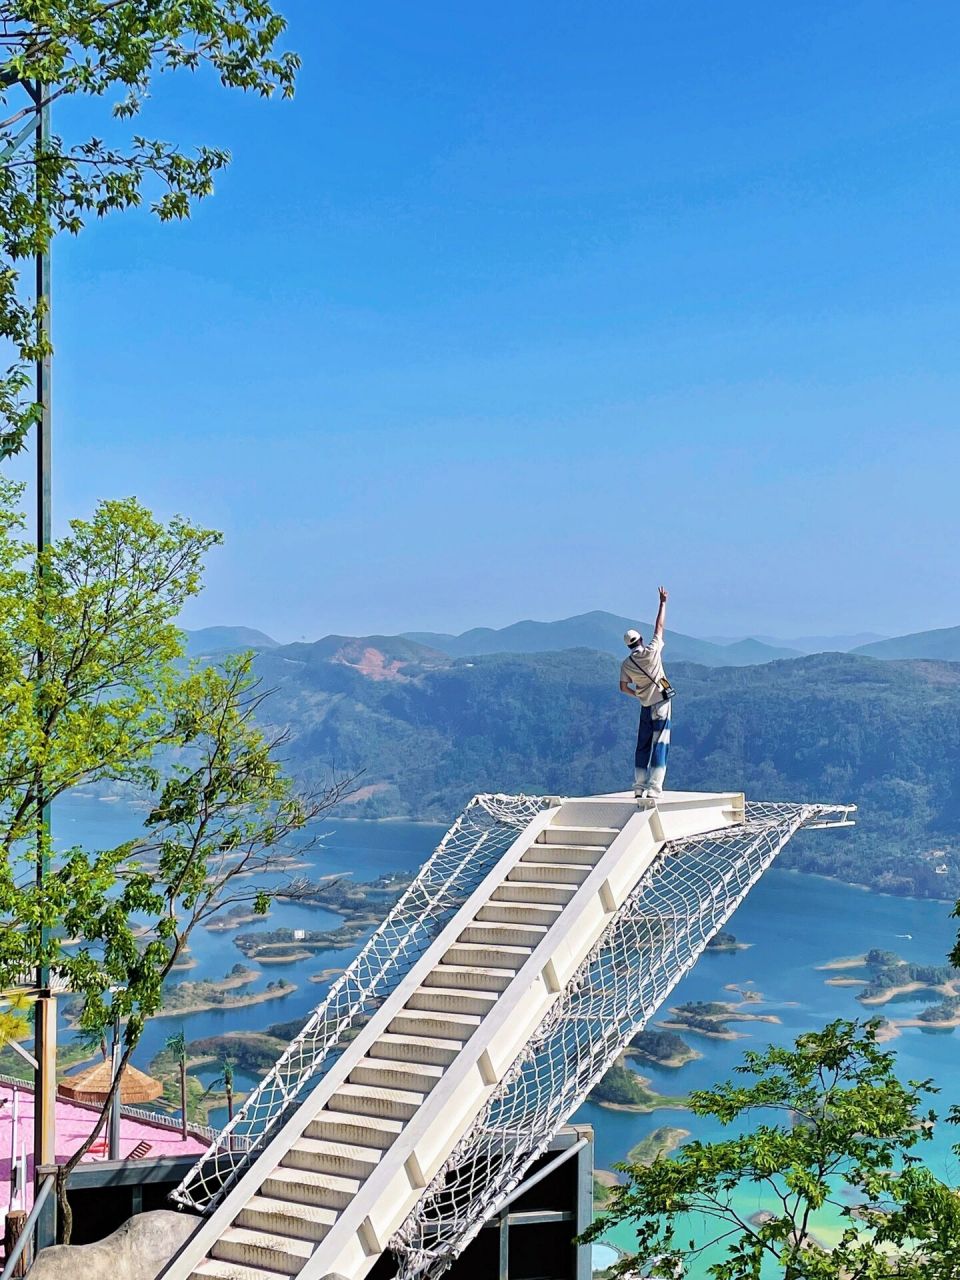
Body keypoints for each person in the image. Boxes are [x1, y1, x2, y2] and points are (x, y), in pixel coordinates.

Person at [619, 586, 672, 802]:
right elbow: (659, 626)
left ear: (628, 645)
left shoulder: (626, 664)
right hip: (661, 702)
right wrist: (662, 602)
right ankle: (654, 789)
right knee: (660, 743)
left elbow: (623, 687)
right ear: (640, 640)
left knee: (642, 745)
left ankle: (639, 787)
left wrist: (639, 695)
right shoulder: (652, 652)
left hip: (644, 705)